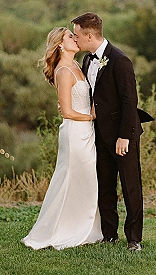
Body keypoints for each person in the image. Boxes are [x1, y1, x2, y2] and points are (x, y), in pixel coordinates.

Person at [21, 27, 103, 250]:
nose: (75, 39)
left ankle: (87, 227)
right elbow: (66, 111)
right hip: (75, 133)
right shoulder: (64, 71)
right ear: (60, 44)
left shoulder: (77, 65)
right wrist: (92, 116)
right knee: (74, 179)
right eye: (70, 36)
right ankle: (64, 229)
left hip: (86, 131)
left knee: (85, 181)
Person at [71, 12, 144, 252]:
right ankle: (109, 235)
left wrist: (124, 136)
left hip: (123, 136)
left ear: (89, 35)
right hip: (99, 135)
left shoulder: (120, 60)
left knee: (130, 186)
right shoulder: (87, 60)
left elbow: (129, 101)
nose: (75, 38)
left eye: (77, 34)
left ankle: (134, 239)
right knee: (105, 185)